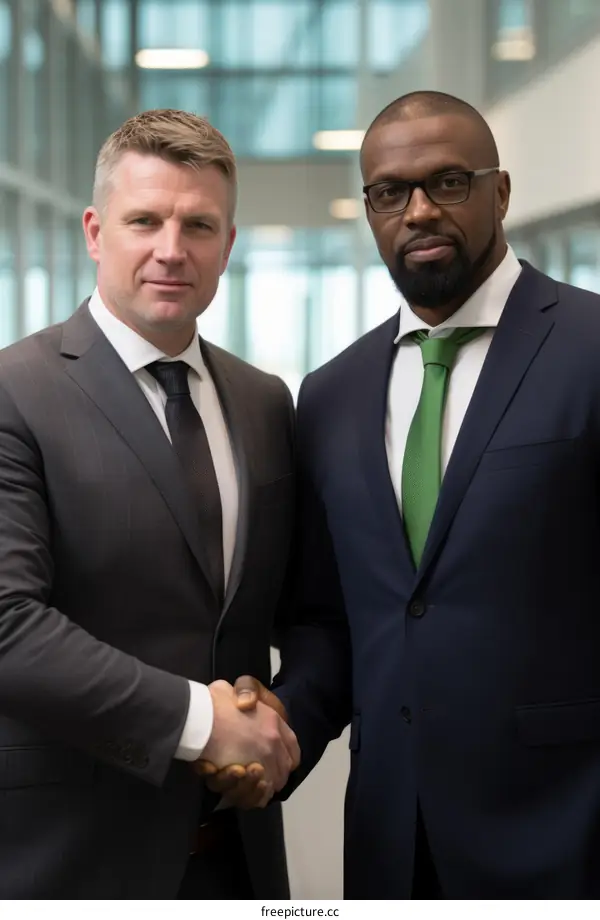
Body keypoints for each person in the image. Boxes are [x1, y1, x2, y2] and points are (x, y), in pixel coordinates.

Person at [204, 90, 600, 898]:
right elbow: (334, 623)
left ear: (501, 192)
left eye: (448, 182)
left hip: (570, 832)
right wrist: (279, 729)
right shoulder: (331, 394)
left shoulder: (591, 349)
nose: (418, 210)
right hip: (392, 843)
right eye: (390, 192)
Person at [0, 108, 300, 899]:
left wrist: (272, 729)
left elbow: (304, 612)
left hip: (235, 853)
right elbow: (6, 623)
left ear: (228, 245)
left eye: (199, 224)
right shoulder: (14, 393)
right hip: (71, 860)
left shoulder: (265, 401)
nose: (172, 249)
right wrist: (202, 723)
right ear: (97, 231)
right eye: (146, 220)